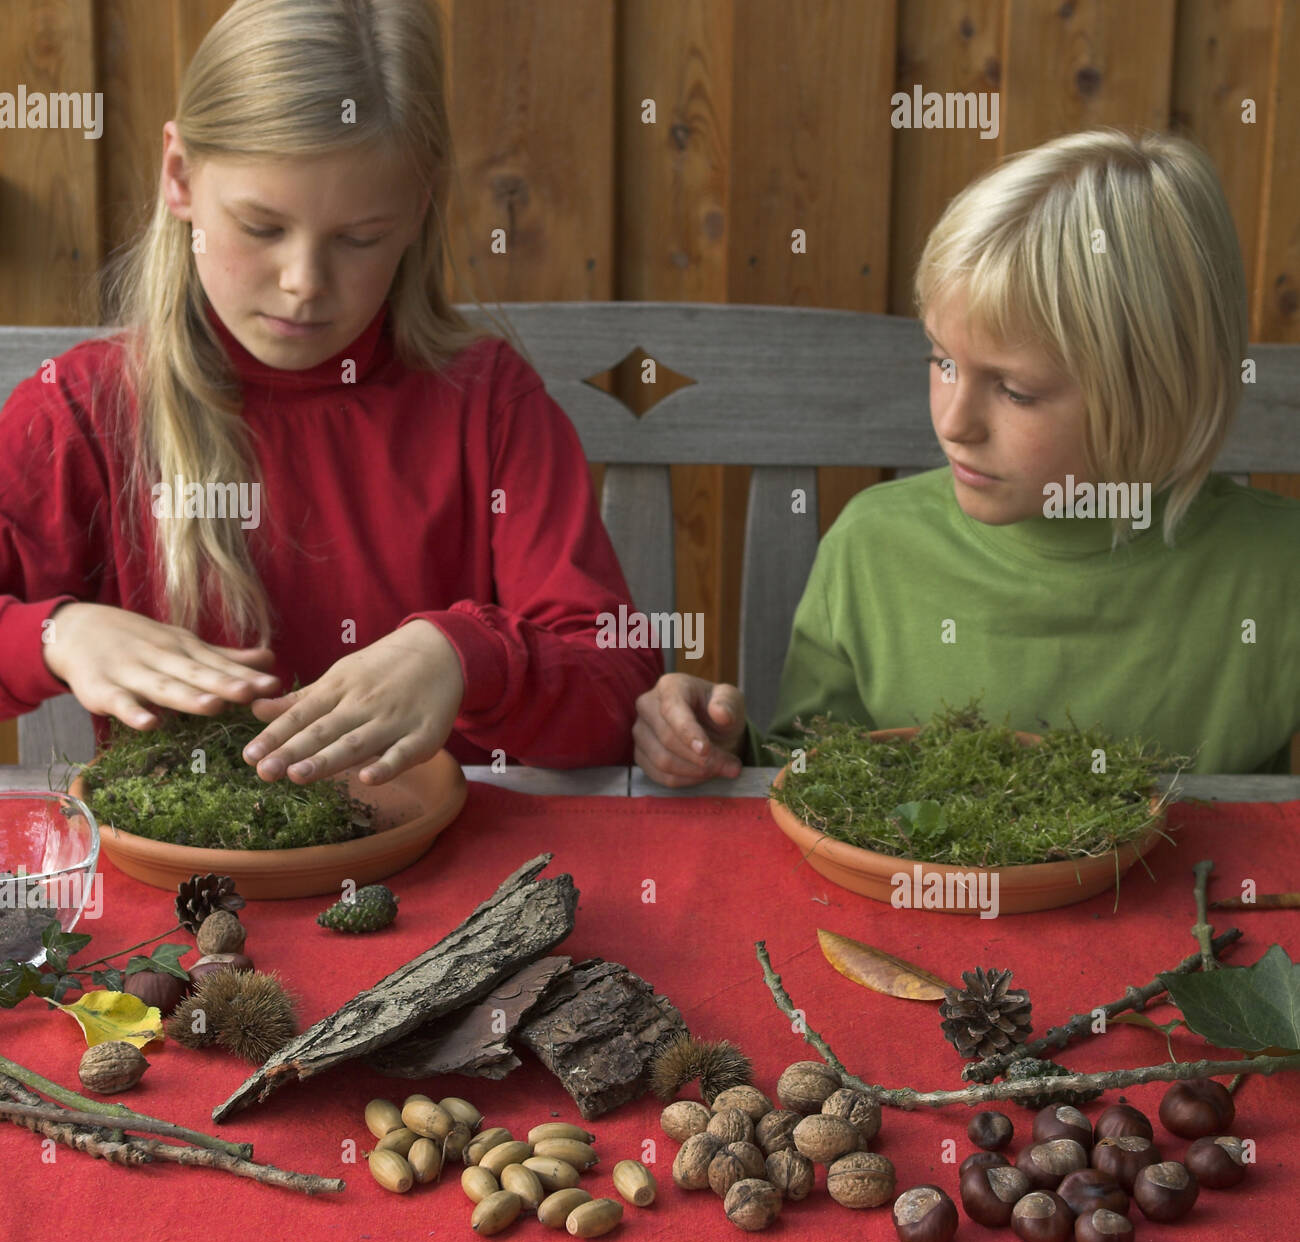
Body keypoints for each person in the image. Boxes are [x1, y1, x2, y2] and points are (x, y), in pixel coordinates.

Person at [0, 0, 659, 783]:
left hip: (466, 873)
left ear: (419, 209)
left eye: (359, 238)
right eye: (262, 227)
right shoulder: (79, 413)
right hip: (197, 885)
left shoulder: (489, 406)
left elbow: (620, 688)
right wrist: (55, 636)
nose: (304, 283)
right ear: (179, 176)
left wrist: (465, 656)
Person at [635, 128, 1300, 786]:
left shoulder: (1277, 573)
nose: (953, 424)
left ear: (1159, 389)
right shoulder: (874, 548)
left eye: (1014, 390)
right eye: (942, 361)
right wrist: (716, 746)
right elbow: (813, 782)